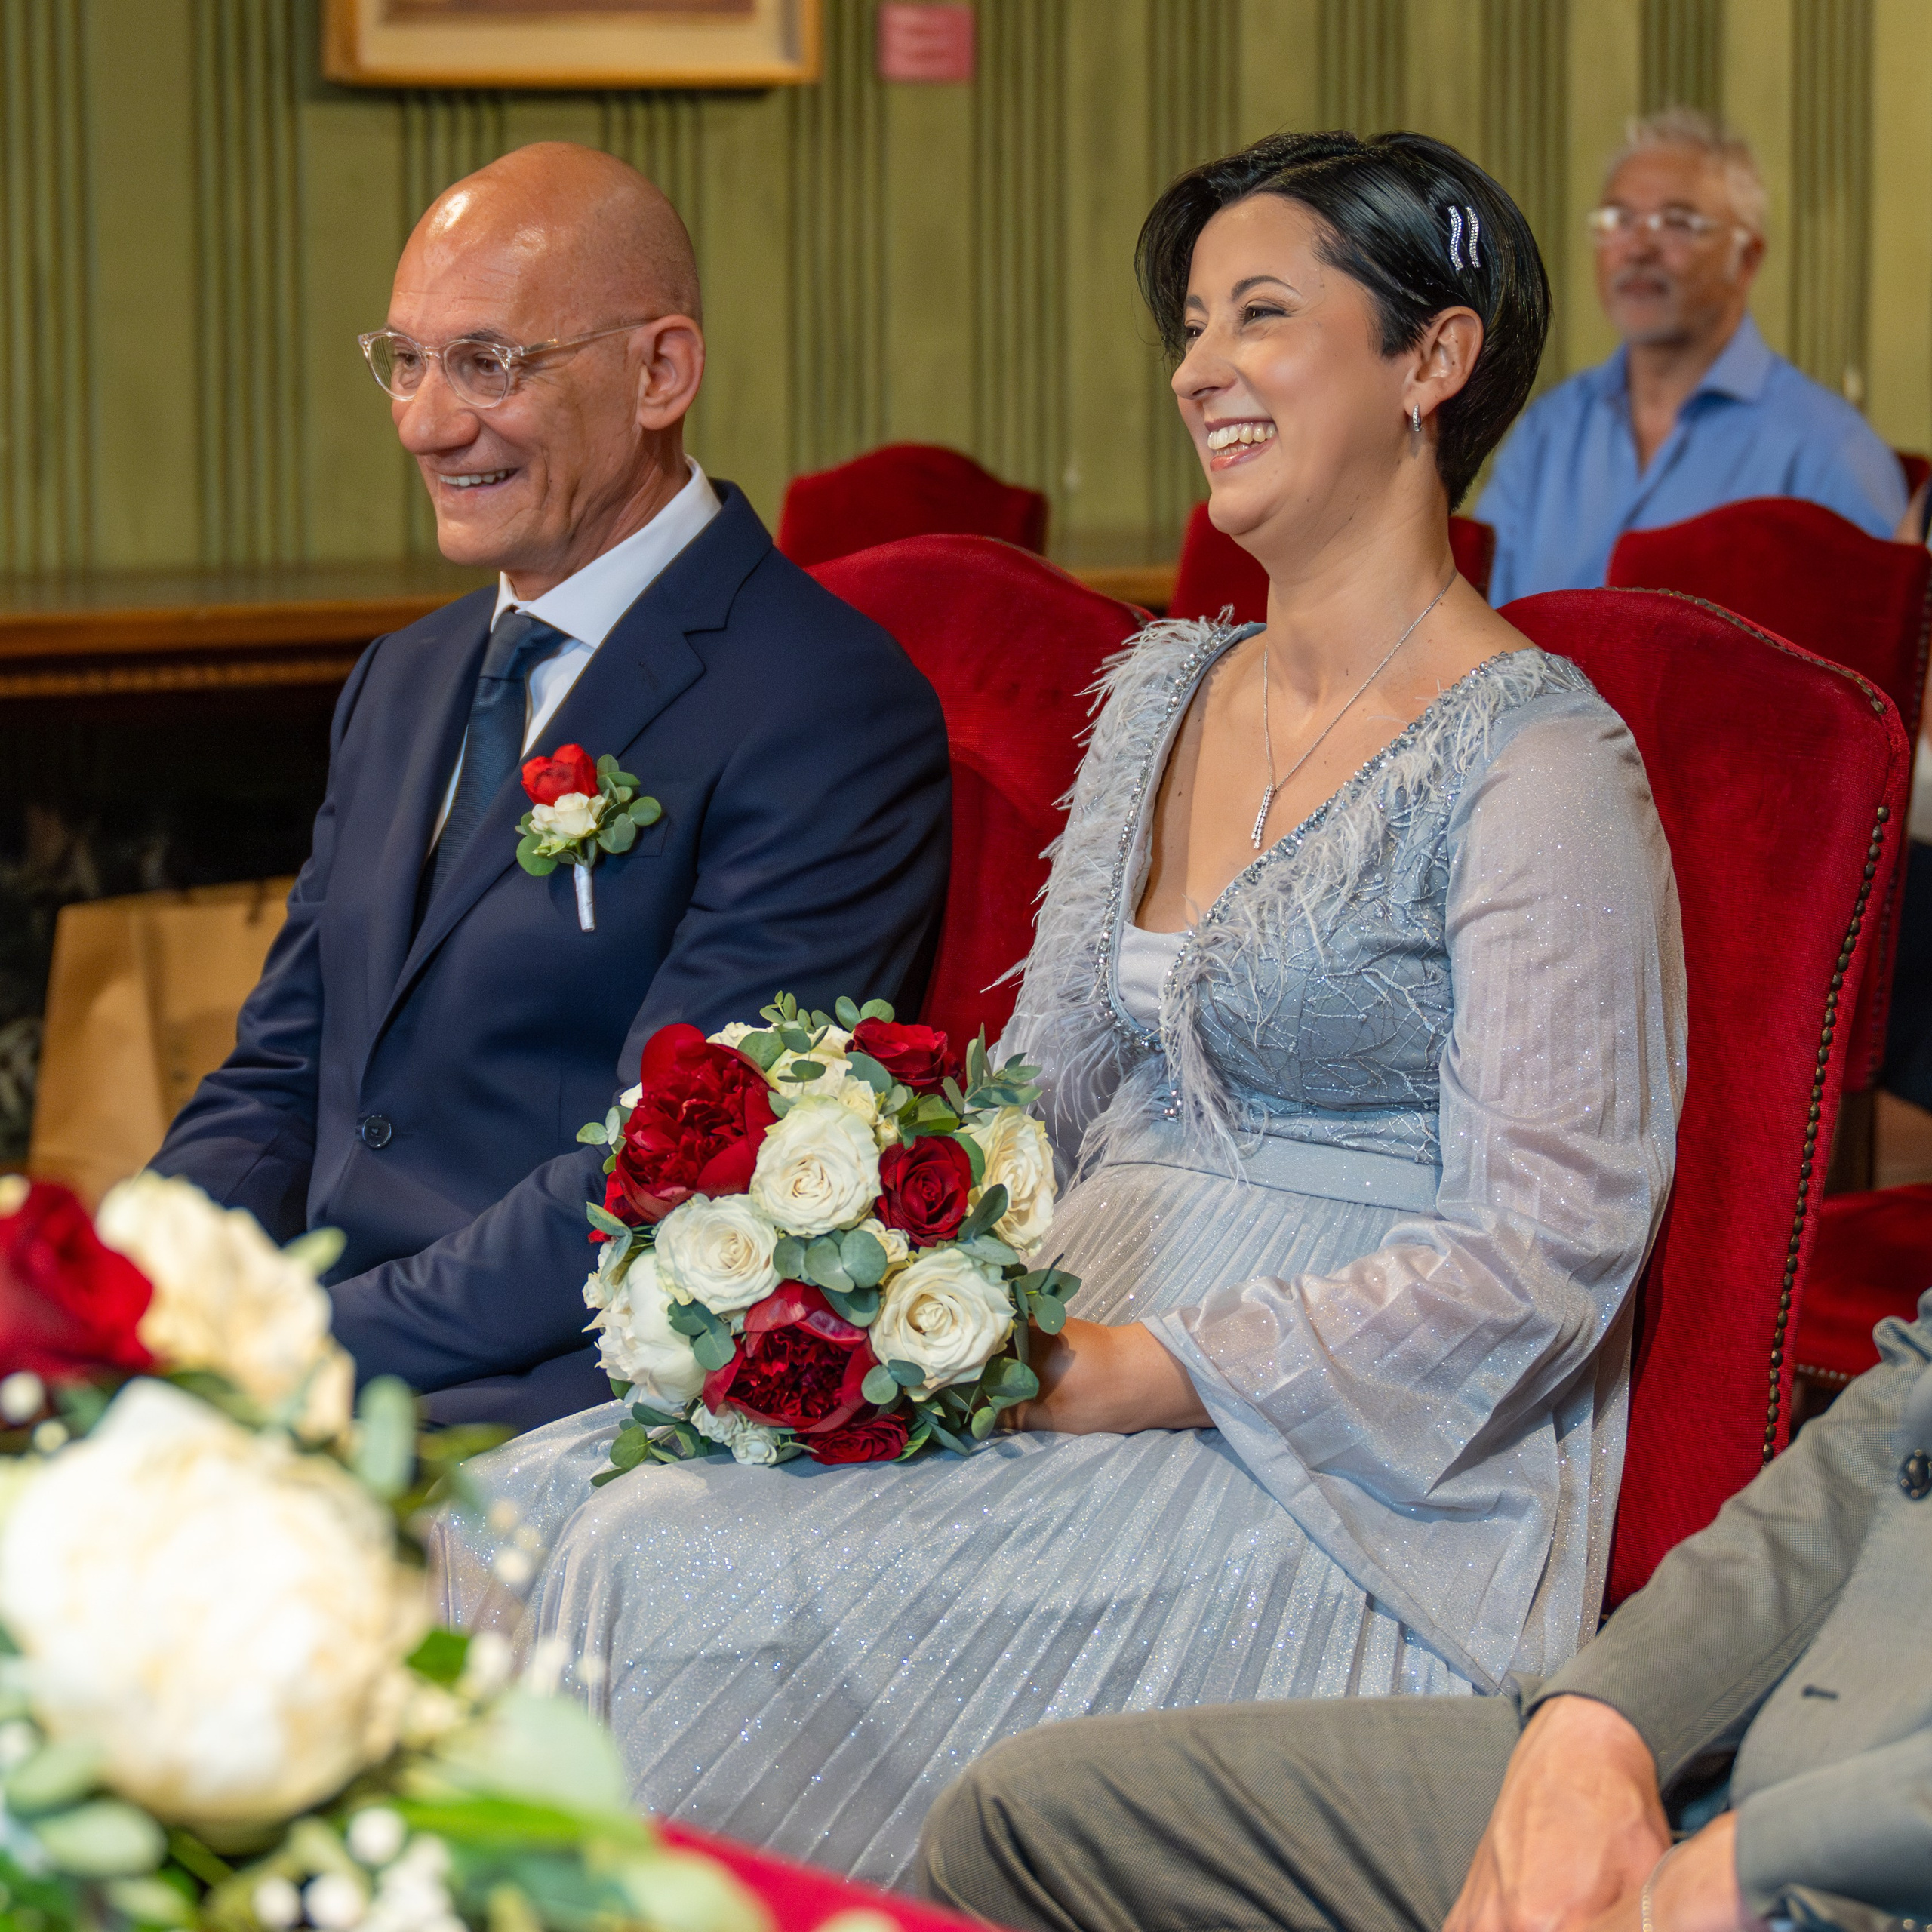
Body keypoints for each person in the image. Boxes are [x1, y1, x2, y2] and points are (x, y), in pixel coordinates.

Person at [435, 130, 1684, 1884]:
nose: (1196, 368)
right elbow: (1043, 1107)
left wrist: (1128, 1371)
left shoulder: (1539, 760)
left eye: (1259, 313)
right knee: (512, 1508)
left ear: (1434, 356)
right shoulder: (1163, 691)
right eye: (1190, 324)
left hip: (1348, 1464)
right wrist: (870, 1265)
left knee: (660, 1570)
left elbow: (1548, 1247)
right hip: (1063, 1320)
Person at [151, 144, 951, 1433]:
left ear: (661, 372)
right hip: (319, 1342)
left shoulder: (821, 700)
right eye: (407, 361)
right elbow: (281, 1070)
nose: (425, 423)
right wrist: (141, 1297)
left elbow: (665, 1169)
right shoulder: (403, 677)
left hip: (549, 1387)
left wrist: (291, 1351)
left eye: (488, 363)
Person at [918, 1293, 1932, 1932]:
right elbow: (1894, 1434)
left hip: (1871, 1853)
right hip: (1805, 1736)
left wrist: (1755, 1862)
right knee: (1020, 1825)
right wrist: (1601, 1726)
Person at [1479, 109, 1905, 605]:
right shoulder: (1548, 432)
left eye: (1677, 223)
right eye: (1619, 220)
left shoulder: (1827, 452)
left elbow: (1879, 647)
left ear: (1746, 260)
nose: (1638, 248)